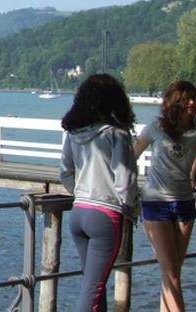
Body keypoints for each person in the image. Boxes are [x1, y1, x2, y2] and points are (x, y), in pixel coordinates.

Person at [59, 74, 139, 312]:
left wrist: (81, 193)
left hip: (79, 213)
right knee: (93, 289)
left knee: (93, 284)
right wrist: (130, 206)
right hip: (105, 215)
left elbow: (65, 173)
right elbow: (125, 180)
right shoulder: (117, 135)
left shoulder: (73, 133)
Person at [132, 80, 196, 312]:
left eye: (193, 97)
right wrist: (128, 189)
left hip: (184, 203)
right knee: (172, 273)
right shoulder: (156, 126)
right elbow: (130, 156)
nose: (192, 102)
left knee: (172, 272)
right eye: (186, 98)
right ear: (174, 102)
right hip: (156, 203)